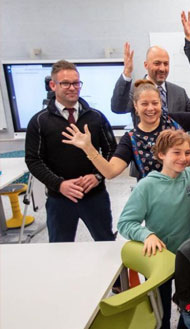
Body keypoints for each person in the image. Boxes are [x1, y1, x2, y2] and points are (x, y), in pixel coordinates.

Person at [117, 129, 190, 329]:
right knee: (162, 313)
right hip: (160, 257)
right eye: (176, 152)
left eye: (187, 153)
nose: (184, 158)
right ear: (161, 154)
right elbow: (125, 223)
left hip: (189, 258)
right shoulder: (147, 187)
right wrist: (147, 235)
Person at [25, 60, 117, 243]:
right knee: (60, 249)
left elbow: (112, 150)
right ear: (53, 85)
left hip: (95, 195)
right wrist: (60, 184)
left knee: (106, 243)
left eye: (76, 83)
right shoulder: (39, 122)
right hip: (60, 199)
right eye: (65, 83)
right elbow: (33, 160)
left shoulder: (96, 117)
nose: (72, 88)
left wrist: (97, 176)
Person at [63, 79, 190, 181]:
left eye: (155, 103)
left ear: (161, 103)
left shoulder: (173, 120)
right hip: (155, 200)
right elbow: (110, 172)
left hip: (185, 191)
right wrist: (88, 148)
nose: (150, 108)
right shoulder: (131, 139)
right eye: (144, 104)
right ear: (135, 106)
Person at [111, 42, 190, 124]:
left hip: (175, 143)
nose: (162, 69)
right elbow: (118, 108)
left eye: (166, 64)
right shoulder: (136, 90)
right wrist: (127, 73)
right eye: (157, 63)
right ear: (146, 65)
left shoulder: (179, 92)